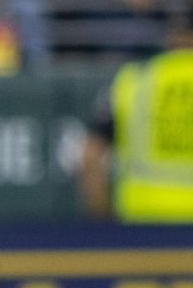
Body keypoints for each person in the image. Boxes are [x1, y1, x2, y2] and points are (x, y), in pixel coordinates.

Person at [78, 23, 193, 222]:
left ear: (173, 37)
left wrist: (100, 222)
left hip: (142, 225)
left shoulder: (134, 80)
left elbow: (90, 157)